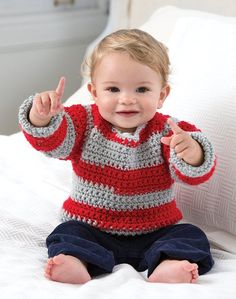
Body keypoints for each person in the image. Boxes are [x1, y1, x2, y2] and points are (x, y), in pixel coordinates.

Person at [19, 29, 216, 284]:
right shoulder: (83, 122)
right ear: (94, 92)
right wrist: (42, 117)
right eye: (112, 89)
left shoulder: (169, 131)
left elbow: (191, 172)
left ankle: (167, 263)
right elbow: (53, 142)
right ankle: (77, 261)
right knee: (67, 233)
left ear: (161, 95)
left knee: (190, 235)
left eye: (142, 89)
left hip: (155, 230)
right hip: (92, 227)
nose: (126, 99)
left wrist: (192, 152)